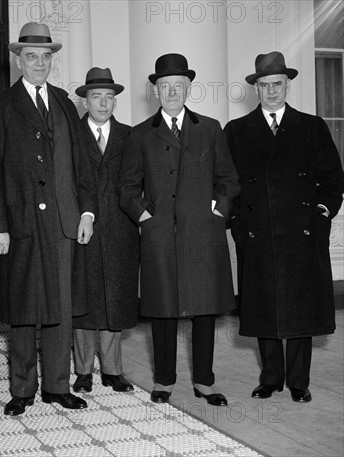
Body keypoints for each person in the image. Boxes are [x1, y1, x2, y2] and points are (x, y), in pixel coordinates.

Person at [0, 22, 97, 416]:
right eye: (31, 56)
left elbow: (81, 166)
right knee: (25, 309)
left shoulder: (65, 102)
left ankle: (58, 387)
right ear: (18, 60)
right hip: (20, 224)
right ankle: (23, 389)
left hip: (64, 223)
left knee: (61, 309)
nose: (40, 63)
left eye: (46, 57)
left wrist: (86, 212)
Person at [118, 53, 240, 406]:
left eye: (178, 86)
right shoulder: (140, 135)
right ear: (155, 91)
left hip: (203, 233)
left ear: (189, 89)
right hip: (160, 236)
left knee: (204, 310)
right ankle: (164, 380)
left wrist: (217, 210)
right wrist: (146, 219)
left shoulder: (211, 129)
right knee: (163, 310)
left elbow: (229, 179)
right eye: (165, 86)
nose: (172, 92)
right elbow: (127, 187)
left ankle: (204, 381)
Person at [225, 51, 344, 403]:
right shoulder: (237, 130)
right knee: (264, 307)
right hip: (258, 231)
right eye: (265, 85)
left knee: (300, 309)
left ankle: (298, 381)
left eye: (277, 84)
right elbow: (228, 182)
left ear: (287, 85)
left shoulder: (311, 126)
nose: (272, 91)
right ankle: (270, 377)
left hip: (301, 232)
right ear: (256, 88)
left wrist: (321, 213)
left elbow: (332, 177)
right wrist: (237, 222)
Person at [71, 67, 139, 394]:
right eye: (96, 96)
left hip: (120, 229)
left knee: (115, 298)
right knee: (84, 300)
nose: (103, 103)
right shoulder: (70, 134)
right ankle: (83, 371)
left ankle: (113, 370)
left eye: (109, 97)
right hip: (82, 229)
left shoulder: (130, 136)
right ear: (85, 100)